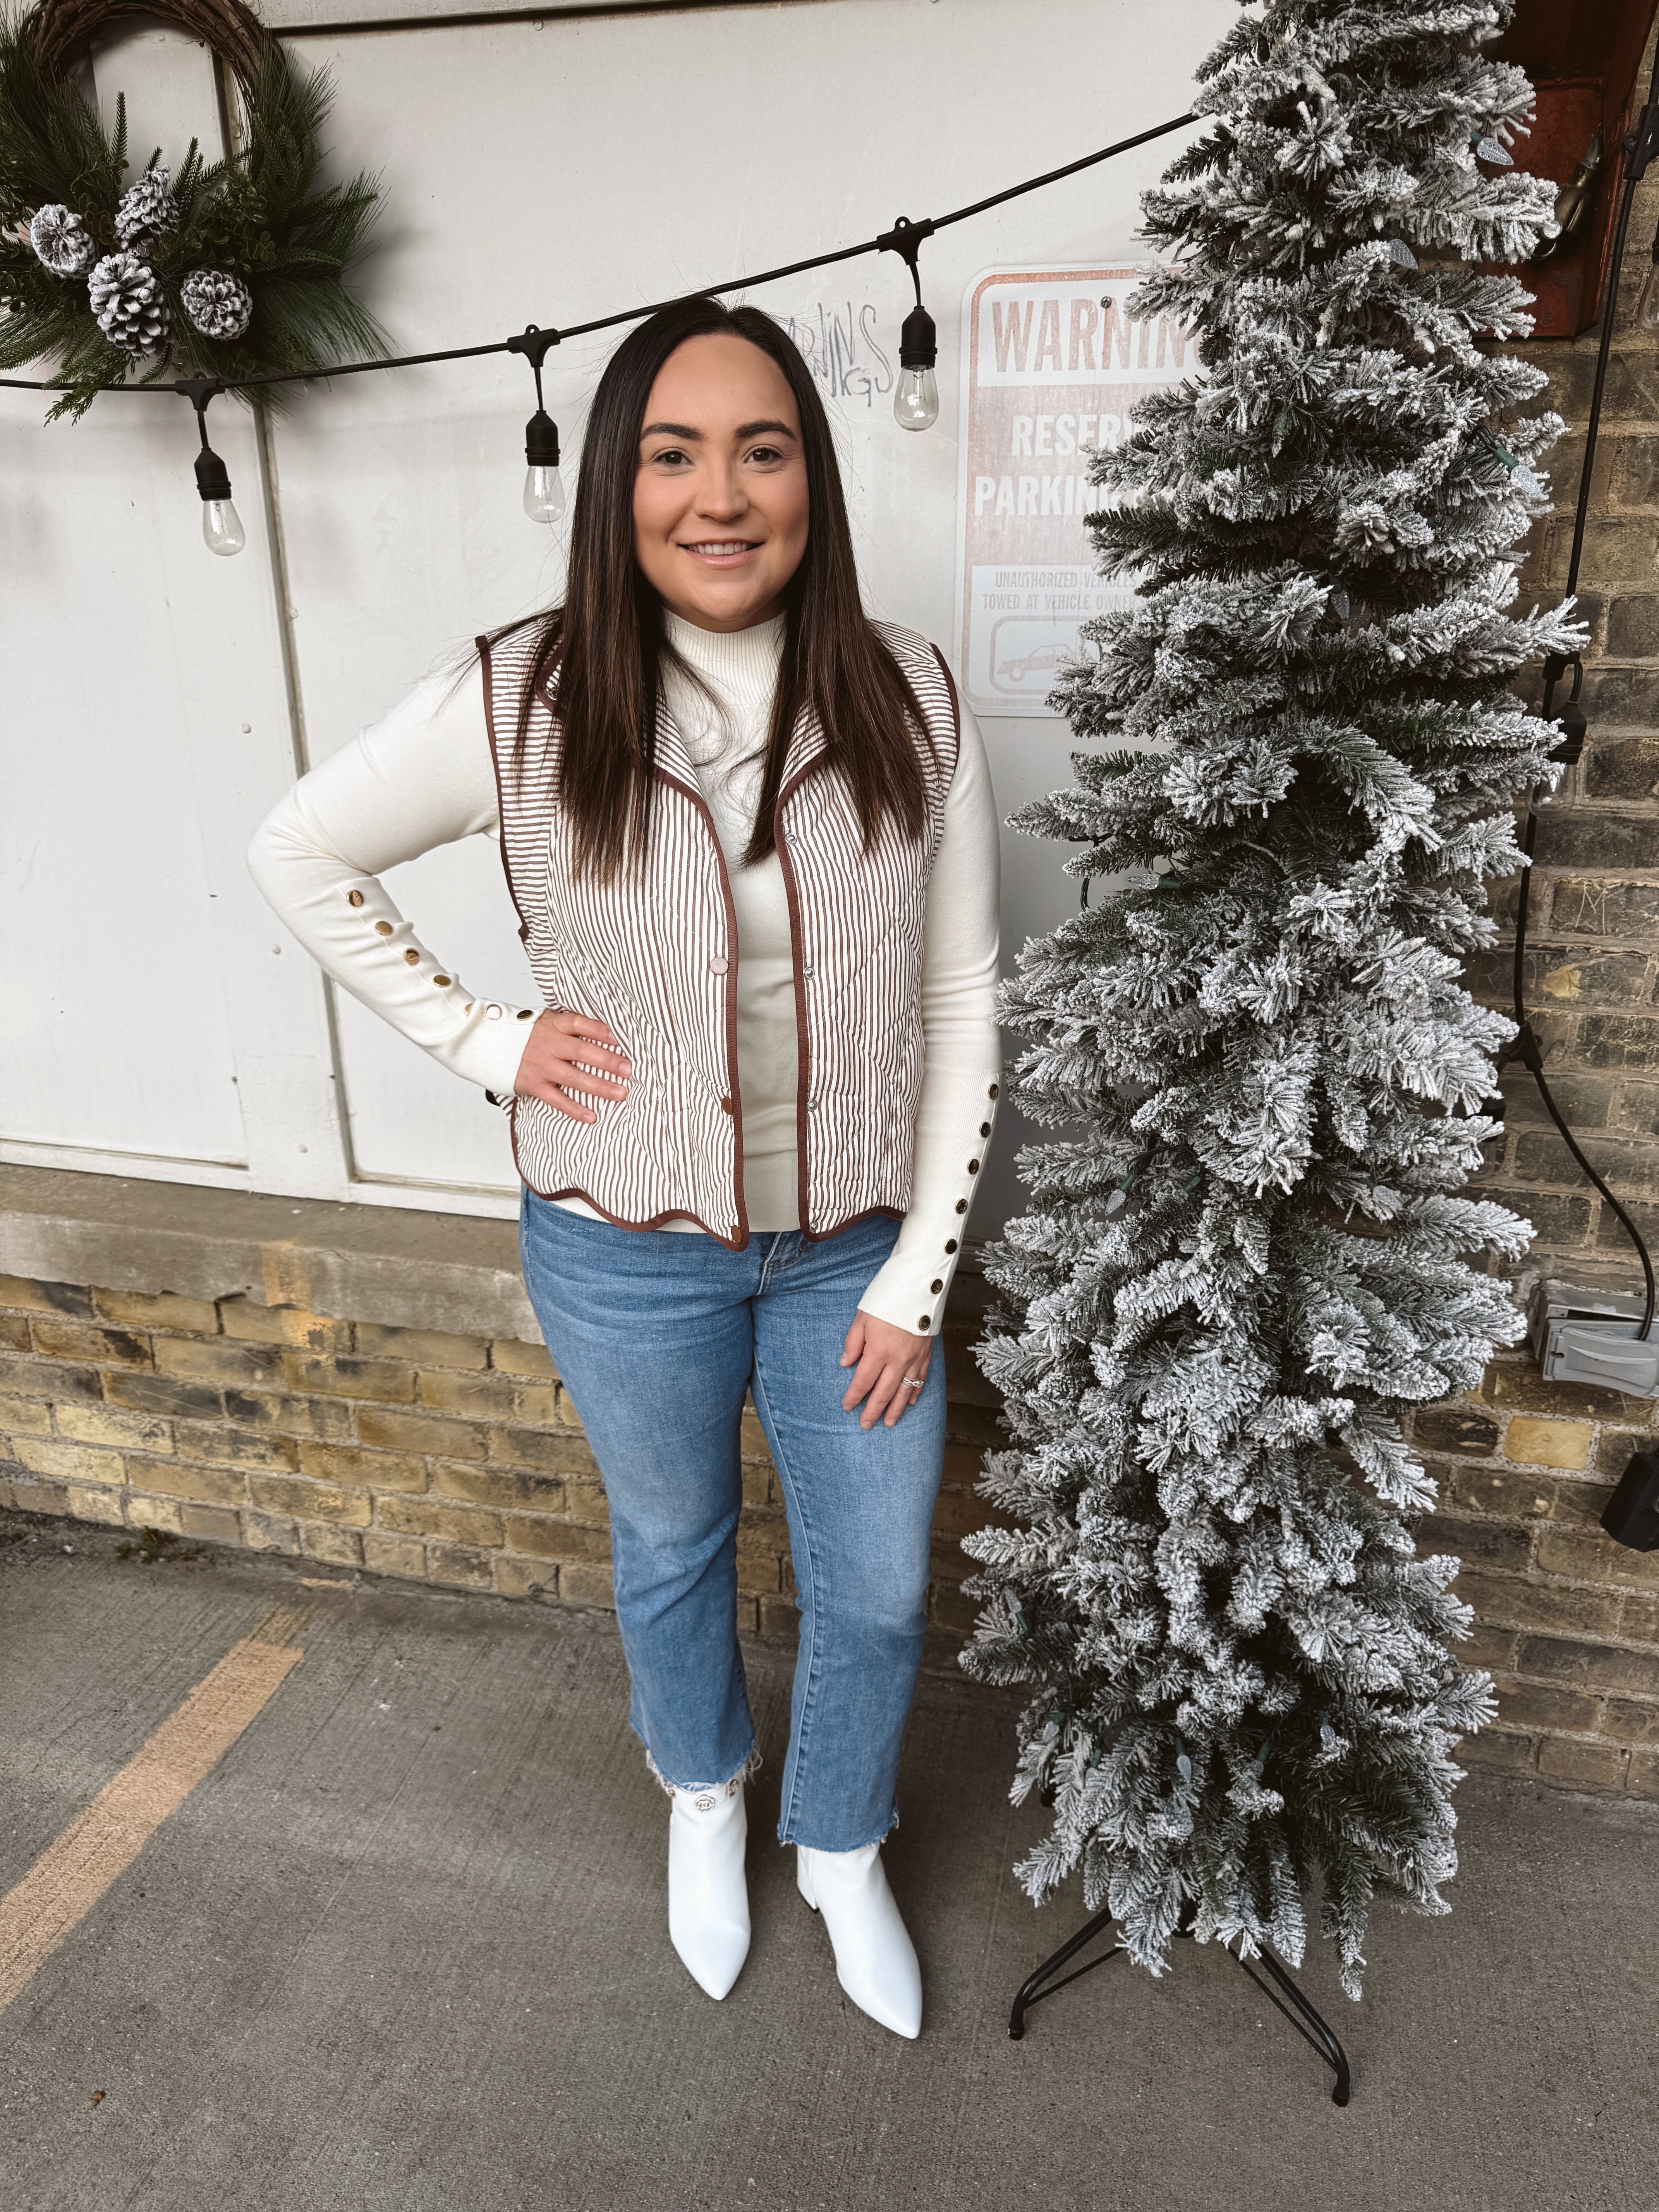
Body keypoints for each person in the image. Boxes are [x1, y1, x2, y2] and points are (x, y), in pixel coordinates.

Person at [249, 294, 1000, 2040]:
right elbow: (298, 847)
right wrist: (487, 1041)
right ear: (619, 483)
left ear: (813, 477)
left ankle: (836, 1846)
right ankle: (704, 1798)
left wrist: (918, 1272)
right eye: (673, 453)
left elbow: (964, 991)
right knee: (672, 1542)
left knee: (877, 1582)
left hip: (852, 1252)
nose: (719, 494)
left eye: (764, 448)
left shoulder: (909, 693)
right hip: (618, 1245)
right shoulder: (519, 695)